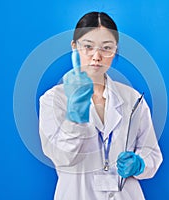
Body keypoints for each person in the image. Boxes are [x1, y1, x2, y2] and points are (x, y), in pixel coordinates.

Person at [39, 11, 162, 200]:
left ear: (115, 50)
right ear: (74, 47)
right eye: (88, 46)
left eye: (106, 48)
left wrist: (140, 164)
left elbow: (152, 153)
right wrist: (75, 117)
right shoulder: (54, 99)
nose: (97, 56)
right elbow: (61, 157)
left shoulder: (132, 98)